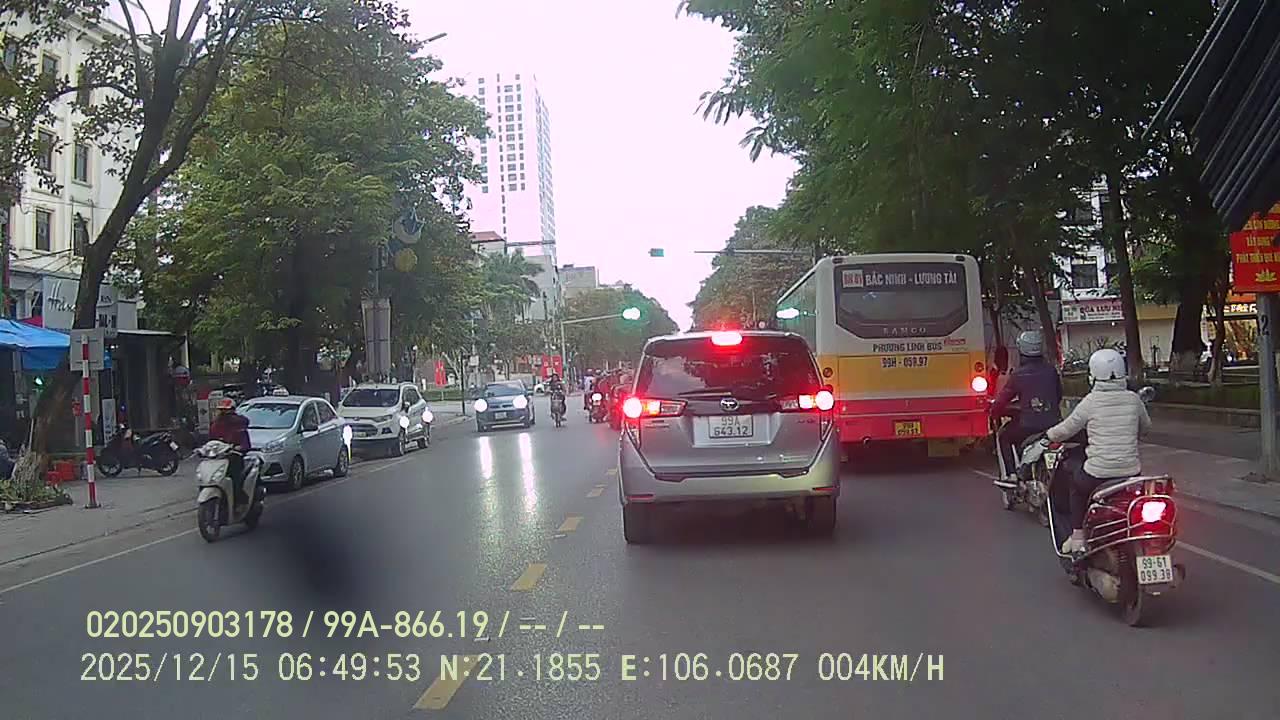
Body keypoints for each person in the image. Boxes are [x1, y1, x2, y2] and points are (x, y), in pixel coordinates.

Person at [1045, 348, 1151, 554]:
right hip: (1131, 474)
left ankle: (1078, 537)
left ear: (1093, 375)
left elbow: (1066, 429)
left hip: (1098, 473)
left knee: (1076, 487)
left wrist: (1048, 436)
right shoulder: (1134, 399)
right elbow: (1146, 428)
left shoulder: (1091, 402)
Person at [989, 330, 1063, 486]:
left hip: (1028, 426)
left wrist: (993, 411)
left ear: (1021, 349)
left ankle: (1011, 475)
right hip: (1054, 423)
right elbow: (1058, 396)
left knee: (1004, 436)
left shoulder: (1018, 375)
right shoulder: (1051, 371)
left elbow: (1002, 400)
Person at [209, 398, 251, 507]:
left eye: (226, 410)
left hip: (234, 457)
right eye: (221, 410)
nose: (224, 413)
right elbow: (211, 441)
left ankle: (239, 501)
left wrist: (238, 448)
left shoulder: (239, 424)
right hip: (218, 458)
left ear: (232, 410)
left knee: (235, 478)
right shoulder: (215, 425)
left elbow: (245, 443)